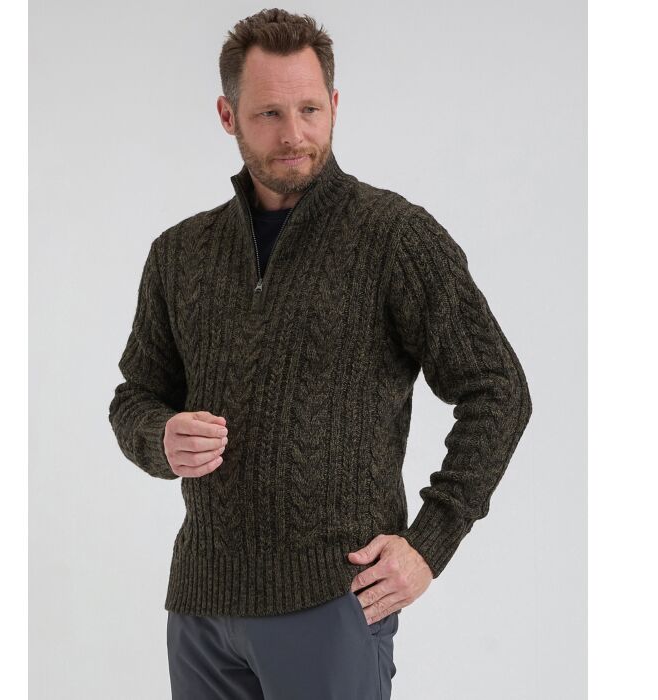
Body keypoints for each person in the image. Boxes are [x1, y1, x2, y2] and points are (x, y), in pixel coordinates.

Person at [108, 8, 533, 700]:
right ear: (227, 115)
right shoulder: (179, 254)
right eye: (269, 114)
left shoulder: (393, 237)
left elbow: (499, 389)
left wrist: (430, 543)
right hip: (201, 607)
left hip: (332, 600)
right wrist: (158, 435)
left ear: (334, 104)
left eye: (309, 109)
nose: (294, 134)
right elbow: (135, 396)